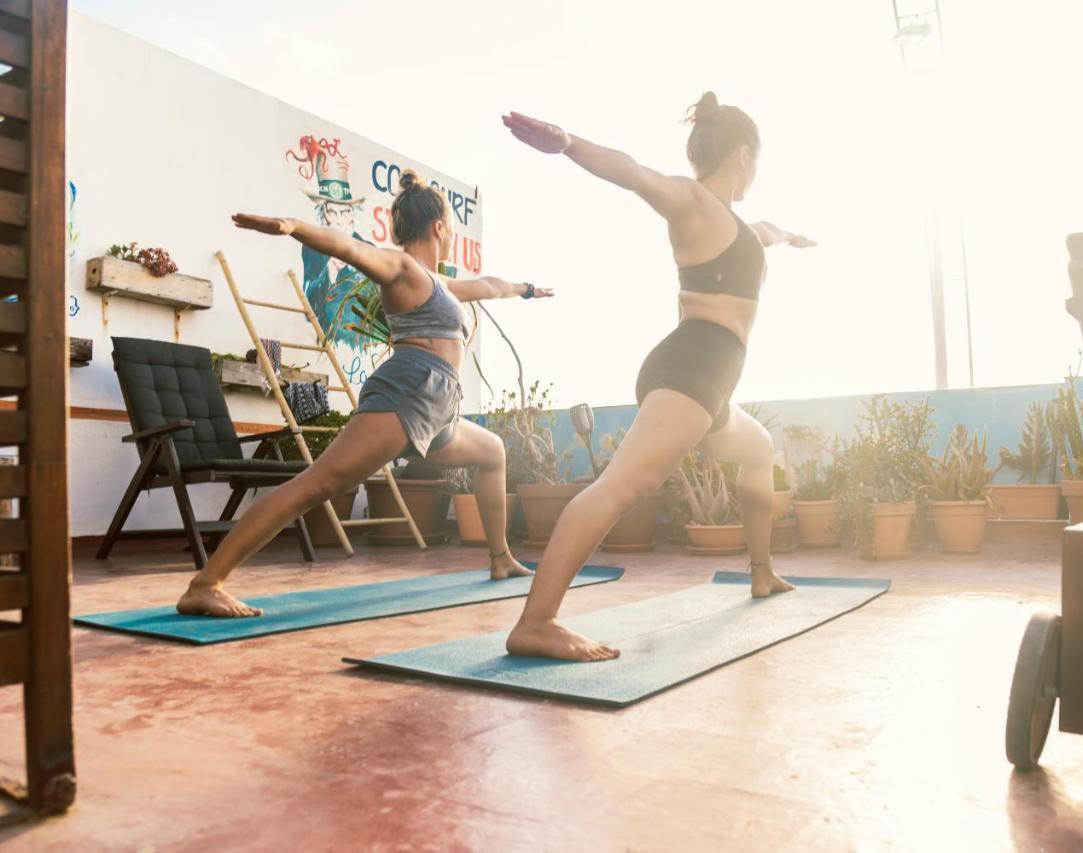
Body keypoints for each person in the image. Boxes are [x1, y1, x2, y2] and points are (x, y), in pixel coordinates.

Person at [501, 93, 816, 661]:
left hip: (711, 381)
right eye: (757, 161)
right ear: (744, 154)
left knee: (758, 450)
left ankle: (762, 573)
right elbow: (632, 173)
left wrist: (791, 236)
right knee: (621, 487)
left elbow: (765, 231)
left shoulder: (737, 224)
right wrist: (568, 143)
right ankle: (537, 621)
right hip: (692, 366)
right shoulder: (692, 201)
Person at [177, 171, 553, 617]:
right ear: (439, 227)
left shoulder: (438, 284)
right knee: (317, 484)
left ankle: (500, 559)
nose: (451, 235)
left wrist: (526, 290)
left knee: (492, 452)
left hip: (440, 407)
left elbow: (489, 286)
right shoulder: (402, 268)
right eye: (450, 227)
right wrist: (292, 227)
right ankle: (206, 583)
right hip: (409, 393)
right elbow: (349, 248)